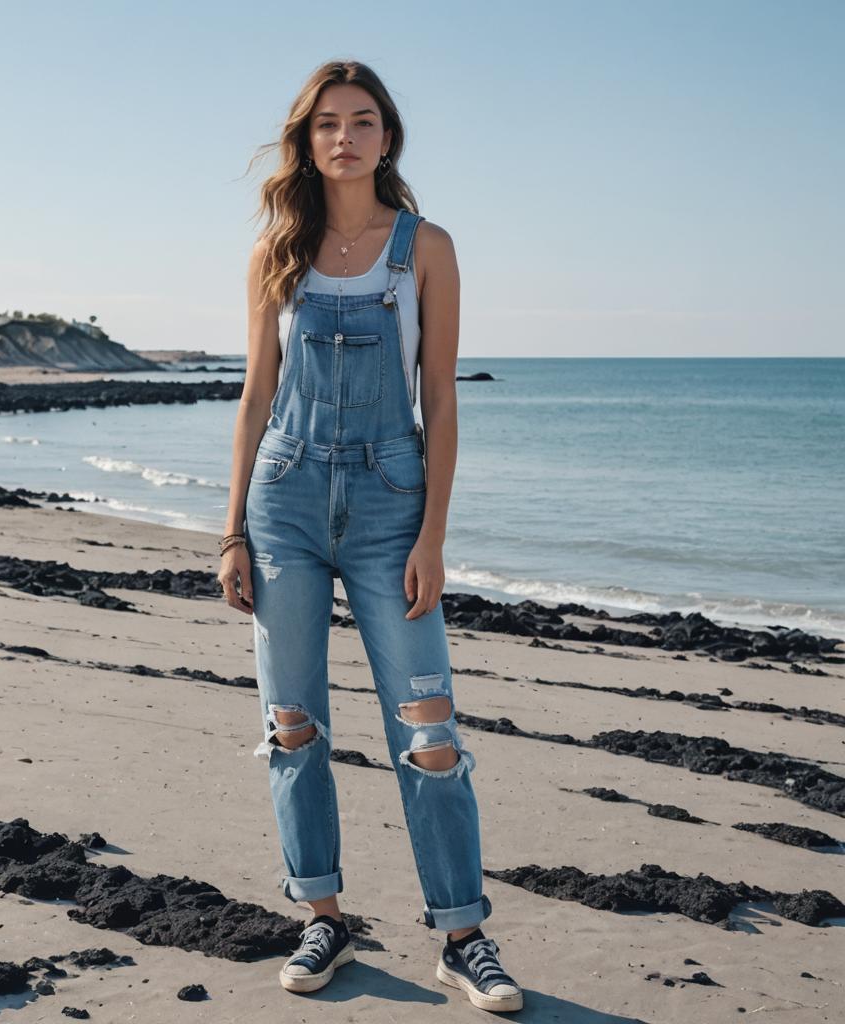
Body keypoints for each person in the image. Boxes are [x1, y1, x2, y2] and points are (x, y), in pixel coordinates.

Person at [218, 59, 523, 1014]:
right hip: (286, 500)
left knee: (428, 729)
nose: (343, 137)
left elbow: (441, 399)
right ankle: (324, 918)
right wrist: (230, 532)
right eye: (325, 125)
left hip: (394, 503)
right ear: (306, 141)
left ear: (387, 137)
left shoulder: (425, 246)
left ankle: (462, 935)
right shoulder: (278, 247)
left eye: (362, 121)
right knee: (292, 724)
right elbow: (256, 395)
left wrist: (433, 534)